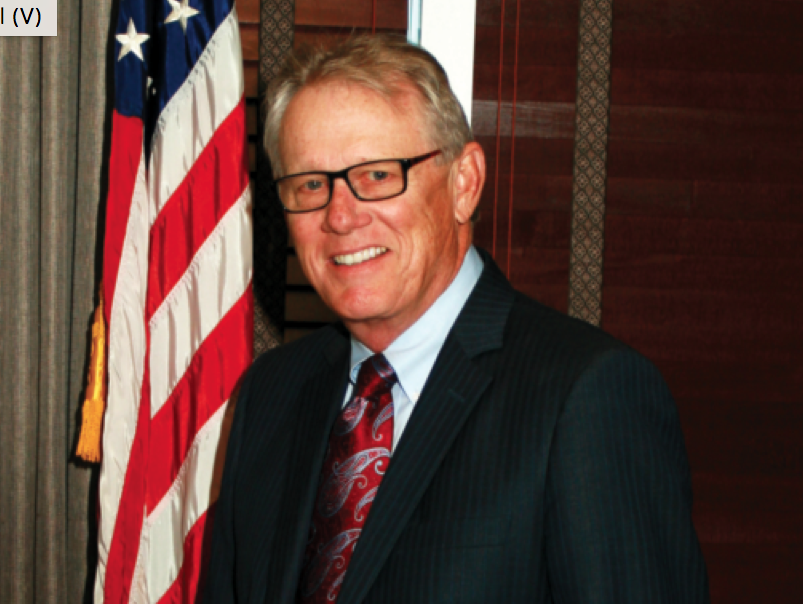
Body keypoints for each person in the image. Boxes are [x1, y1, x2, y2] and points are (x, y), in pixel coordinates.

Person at [200, 35, 709, 604]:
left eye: (377, 175)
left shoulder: (585, 396)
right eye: (311, 184)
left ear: (464, 182)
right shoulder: (270, 394)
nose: (340, 217)